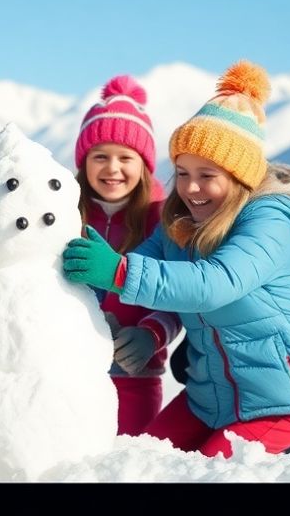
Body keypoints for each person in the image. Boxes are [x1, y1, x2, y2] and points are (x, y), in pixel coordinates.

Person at [62, 61, 290, 457]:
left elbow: (213, 284)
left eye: (207, 174)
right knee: (144, 462)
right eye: (182, 172)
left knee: (206, 477)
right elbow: (141, 264)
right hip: (211, 397)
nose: (191, 188)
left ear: (239, 174)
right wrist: (92, 300)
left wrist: (118, 272)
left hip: (280, 398)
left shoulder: (269, 220)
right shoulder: (180, 220)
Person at [73, 75, 183, 435]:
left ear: (144, 163)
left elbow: (175, 296)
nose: (112, 168)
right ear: (83, 161)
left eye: (125, 157)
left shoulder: (162, 219)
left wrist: (151, 335)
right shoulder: (63, 213)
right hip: (70, 372)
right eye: (100, 156)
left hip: (135, 374)